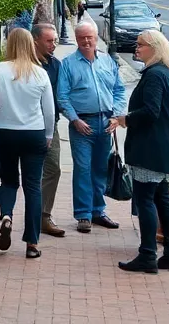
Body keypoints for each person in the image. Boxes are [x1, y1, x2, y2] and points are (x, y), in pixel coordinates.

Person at [111, 30, 169, 273]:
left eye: (141, 44)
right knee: (162, 199)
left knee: (145, 201)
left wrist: (125, 119)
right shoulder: (168, 74)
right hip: (166, 149)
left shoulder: (154, 75)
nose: (136, 48)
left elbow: (151, 112)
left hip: (151, 150)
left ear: (154, 47)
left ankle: (148, 255)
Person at [0, 28, 55, 259]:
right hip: (34, 133)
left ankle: (6, 215)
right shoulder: (40, 73)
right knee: (33, 186)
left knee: (9, 181)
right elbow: (49, 110)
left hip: (6, 133)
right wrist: (49, 135)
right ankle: (32, 243)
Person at [57, 20, 126, 233]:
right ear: (76, 40)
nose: (86, 41)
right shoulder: (68, 64)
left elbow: (119, 90)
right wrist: (74, 119)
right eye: (82, 38)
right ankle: (83, 215)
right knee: (83, 169)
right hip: (82, 125)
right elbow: (62, 96)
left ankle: (98, 211)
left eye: (90, 37)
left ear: (96, 38)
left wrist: (116, 116)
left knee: (100, 169)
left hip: (105, 123)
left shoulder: (107, 62)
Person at [33, 23, 66, 238]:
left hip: (49, 125)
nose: (54, 45)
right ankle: (8, 214)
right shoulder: (23, 64)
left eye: (55, 40)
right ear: (35, 41)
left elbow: (60, 97)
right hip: (24, 126)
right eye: (49, 41)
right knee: (25, 173)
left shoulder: (56, 65)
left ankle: (44, 216)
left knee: (53, 168)